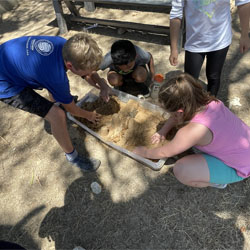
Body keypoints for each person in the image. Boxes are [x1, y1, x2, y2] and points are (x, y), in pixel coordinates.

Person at [0, 32, 112, 172]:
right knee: (58, 115)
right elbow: (72, 110)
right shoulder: (57, 77)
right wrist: (89, 115)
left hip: (8, 58)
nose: (88, 74)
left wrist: (102, 84)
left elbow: (88, 71)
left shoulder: (67, 46)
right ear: (70, 66)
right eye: (85, 72)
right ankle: (72, 157)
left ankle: (60, 101)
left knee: (53, 85)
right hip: (5, 82)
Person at [133, 73, 250, 189]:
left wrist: (144, 153)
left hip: (240, 167)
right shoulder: (212, 102)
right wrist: (163, 131)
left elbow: (165, 152)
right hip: (244, 149)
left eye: (170, 112)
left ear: (179, 112)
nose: (170, 116)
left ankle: (217, 181)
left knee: (181, 170)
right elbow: (176, 116)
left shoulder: (193, 131)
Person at [169, 0, 250, 96]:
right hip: (194, 42)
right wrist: (174, 48)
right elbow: (176, 14)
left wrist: (245, 35)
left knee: (214, 77)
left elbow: (243, 3)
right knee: (189, 81)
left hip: (220, 39)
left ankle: (211, 106)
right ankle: (190, 107)